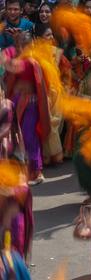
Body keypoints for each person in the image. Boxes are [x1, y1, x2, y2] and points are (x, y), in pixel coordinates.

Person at [3, 32, 50, 185]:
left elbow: (42, 86)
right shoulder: (19, 60)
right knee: (17, 136)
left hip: (30, 103)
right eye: (21, 45)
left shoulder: (34, 63)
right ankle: (22, 171)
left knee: (30, 136)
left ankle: (37, 172)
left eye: (27, 45)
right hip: (17, 102)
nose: (24, 49)